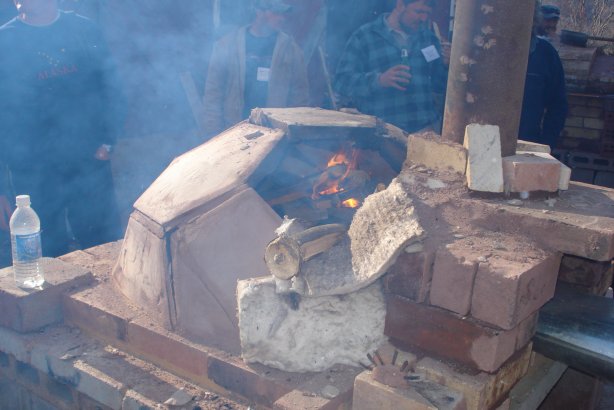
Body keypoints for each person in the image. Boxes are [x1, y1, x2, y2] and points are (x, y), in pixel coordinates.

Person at [0, 0, 123, 258]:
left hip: (88, 162)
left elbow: (111, 87)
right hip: (33, 173)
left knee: (103, 247)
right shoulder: (5, 42)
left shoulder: (83, 30)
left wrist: (108, 140)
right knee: (46, 255)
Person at [334, 0, 448, 134]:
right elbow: (341, 82)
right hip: (382, 133)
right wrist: (379, 80)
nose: (423, 18)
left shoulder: (428, 38)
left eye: (427, 13)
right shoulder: (365, 36)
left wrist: (447, 67)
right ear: (400, 5)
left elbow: (439, 85)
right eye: (419, 12)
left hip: (424, 131)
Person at [202, 0, 309, 138]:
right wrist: (212, 132)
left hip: (273, 135)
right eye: (276, 13)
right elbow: (213, 92)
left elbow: (299, 95)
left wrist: (295, 133)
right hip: (233, 131)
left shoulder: (290, 49)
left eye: (283, 14)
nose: (282, 18)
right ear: (259, 11)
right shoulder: (228, 45)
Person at [519, 3, 568, 149]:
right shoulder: (483, 54)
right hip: (481, 146)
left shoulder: (546, 54)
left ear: (533, 18)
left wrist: (545, 145)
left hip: (526, 145)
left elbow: (558, 105)